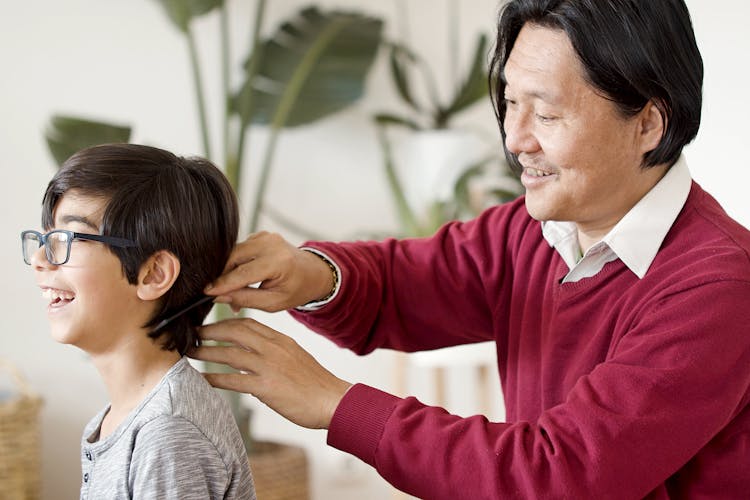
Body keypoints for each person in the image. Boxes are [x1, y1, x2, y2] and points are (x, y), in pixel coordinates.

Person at [191, 0, 750, 498]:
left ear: (650, 123)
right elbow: (400, 283)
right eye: (510, 103)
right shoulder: (531, 232)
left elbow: (561, 474)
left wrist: (333, 403)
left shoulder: (719, 287)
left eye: (548, 113)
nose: (515, 138)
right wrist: (309, 274)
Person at [22, 144, 256, 499]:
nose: (41, 258)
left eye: (67, 238)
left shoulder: (168, 432)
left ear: (153, 274)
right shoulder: (123, 420)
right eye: (45, 238)